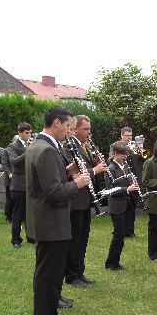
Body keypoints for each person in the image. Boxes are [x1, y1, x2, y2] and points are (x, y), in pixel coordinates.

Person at [26, 106, 90, 315]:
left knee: (46, 274)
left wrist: (66, 171)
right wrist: (78, 183)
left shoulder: (38, 146)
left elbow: (47, 180)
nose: (69, 131)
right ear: (56, 122)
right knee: (49, 277)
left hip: (46, 220)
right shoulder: (46, 150)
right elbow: (53, 191)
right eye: (67, 126)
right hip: (51, 221)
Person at [63, 115, 107, 287]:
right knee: (74, 239)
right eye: (86, 129)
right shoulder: (69, 145)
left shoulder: (85, 145)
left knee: (83, 237)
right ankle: (71, 275)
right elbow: (73, 172)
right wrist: (95, 169)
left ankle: (79, 272)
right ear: (75, 129)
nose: (89, 132)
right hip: (76, 198)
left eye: (90, 129)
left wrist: (97, 162)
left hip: (87, 198)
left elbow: (86, 166)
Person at [104, 141, 139, 270]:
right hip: (116, 206)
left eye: (127, 154)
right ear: (116, 153)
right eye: (123, 154)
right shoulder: (111, 168)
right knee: (118, 235)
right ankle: (110, 263)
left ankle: (116, 262)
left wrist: (132, 181)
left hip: (125, 204)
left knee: (122, 234)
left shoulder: (123, 166)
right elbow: (110, 189)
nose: (126, 157)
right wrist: (127, 189)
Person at [7, 123, 32, 248]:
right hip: (18, 185)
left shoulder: (30, 144)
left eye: (30, 132)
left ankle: (31, 236)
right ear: (20, 133)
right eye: (27, 133)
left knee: (30, 213)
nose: (29, 135)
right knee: (18, 213)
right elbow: (14, 161)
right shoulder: (13, 146)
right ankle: (16, 240)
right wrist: (28, 152)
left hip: (30, 184)